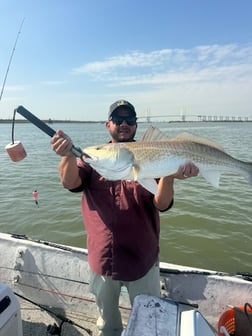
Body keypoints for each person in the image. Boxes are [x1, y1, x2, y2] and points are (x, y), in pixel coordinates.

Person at [51, 99, 199, 336]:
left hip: (143, 259)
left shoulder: (155, 154)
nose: (124, 124)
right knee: (107, 324)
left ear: (136, 125)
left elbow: (162, 205)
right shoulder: (94, 158)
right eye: (118, 119)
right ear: (107, 124)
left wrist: (169, 175)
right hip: (102, 260)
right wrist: (67, 155)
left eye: (129, 120)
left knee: (150, 323)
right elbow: (70, 182)